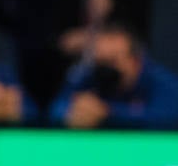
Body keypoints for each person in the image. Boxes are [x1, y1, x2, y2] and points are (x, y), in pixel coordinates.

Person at [48, 21, 178, 130]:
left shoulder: (162, 82)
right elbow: (56, 109)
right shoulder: (89, 76)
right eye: (100, 61)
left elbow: (168, 116)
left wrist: (109, 113)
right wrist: (71, 112)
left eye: (112, 61)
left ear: (135, 61)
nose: (106, 68)